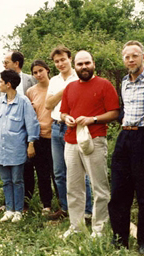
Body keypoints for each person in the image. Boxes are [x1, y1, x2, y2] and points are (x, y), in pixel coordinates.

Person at [108, 40, 144, 254]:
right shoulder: (124, 81)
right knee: (119, 192)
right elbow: (124, 109)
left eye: (135, 55)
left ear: (143, 57)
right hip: (125, 138)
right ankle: (120, 239)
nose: (131, 60)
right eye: (127, 57)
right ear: (123, 60)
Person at [60, 50, 120, 238]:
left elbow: (114, 113)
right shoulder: (70, 88)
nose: (84, 67)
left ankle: (99, 228)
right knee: (73, 187)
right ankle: (76, 226)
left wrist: (92, 119)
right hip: (71, 141)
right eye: (80, 64)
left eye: (87, 63)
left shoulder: (104, 85)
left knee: (99, 187)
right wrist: (67, 118)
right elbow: (62, 112)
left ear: (93, 63)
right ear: (75, 66)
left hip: (95, 140)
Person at [45, 46, 93, 220]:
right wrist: (66, 89)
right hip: (56, 127)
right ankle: (66, 209)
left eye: (63, 59)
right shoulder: (55, 80)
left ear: (70, 59)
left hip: (74, 126)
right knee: (59, 172)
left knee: (81, 171)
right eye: (56, 61)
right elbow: (49, 104)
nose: (60, 64)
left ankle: (87, 211)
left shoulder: (80, 75)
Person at [0, 69, 40, 223]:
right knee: (6, 181)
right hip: (1, 149)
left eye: (0, 82)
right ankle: (9, 209)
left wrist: (31, 144)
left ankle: (18, 210)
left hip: (16, 148)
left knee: (17, 180)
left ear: (8, 84)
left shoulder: (23, 101)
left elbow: (32, 124)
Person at [24, 60, 55, 215]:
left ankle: (64, 204)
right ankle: (47, 205)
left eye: (41, 71)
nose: (38, 75)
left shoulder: (56, 86)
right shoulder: (30, 92)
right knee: (42, 172)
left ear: (48, 70)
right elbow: (29, 116)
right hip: (38, 136)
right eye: (35, 72)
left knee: (57, 172)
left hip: (55, 135)